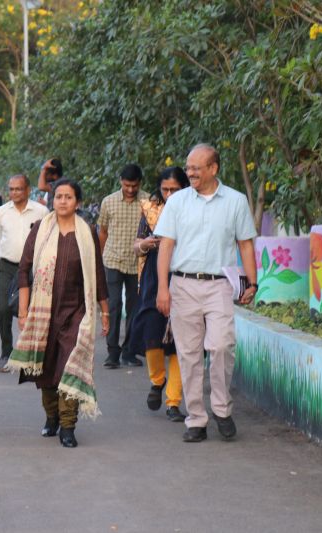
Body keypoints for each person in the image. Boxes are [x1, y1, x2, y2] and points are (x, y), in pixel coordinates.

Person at [155, 144, 258, 443]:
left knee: (222, 345)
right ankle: (196, 419)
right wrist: (163, 287)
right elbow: (166, 246)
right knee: (188, 354)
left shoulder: (236, 202)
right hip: (183, 285)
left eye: (196, 168)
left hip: (219, 285)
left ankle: (222, 410)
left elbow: (245, 244)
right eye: (188, 167)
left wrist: (252, 283)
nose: (190, 173)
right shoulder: (177, 203)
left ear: (213, 169)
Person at [8, 178, 110, 448]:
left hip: (77, 312)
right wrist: (23, 313)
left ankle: (68, 426)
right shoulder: (41, 229)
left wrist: (105, 311)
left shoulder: (86, 232)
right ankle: (51, 417)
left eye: (68, 197)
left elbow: (97, 272)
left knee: (68, 367)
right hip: (44, 314)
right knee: (47, 369)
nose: (63, 201)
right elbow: (23, 270)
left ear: (77, 202)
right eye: (58, 196)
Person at [128, 167, 190, 422]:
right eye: (165, 189)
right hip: (154, 278)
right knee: (151, 335)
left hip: (186, 274)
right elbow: (137, 244)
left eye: (174, 189)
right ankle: (157, 380)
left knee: (181, 343)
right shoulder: (151, 210)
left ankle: (173, 402)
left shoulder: (195, 209)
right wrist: (147, 244)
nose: (169, 194)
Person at [0, 174, 48, 372]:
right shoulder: (1, 212)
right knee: (3, 310)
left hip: (34, 267)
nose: (14, 193)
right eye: (11, 189)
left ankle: (31, 354)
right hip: (8, 266)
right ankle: (6, 352)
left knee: (34, 311)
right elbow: (0, 235)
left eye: (18, 189)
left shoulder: (41, 211)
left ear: (27, 190)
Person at [98, 164, 149, 369]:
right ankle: (112, 352)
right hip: (112, 260)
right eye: (127, 185)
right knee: (113, 306)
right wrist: (100, 258)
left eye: (134, 186)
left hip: (138, 263)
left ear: (140, 184)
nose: (130, 189)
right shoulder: (108, 202)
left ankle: (129, 351)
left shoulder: (147, 202)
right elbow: (103, 231)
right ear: (120, 181)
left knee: (135, 308)